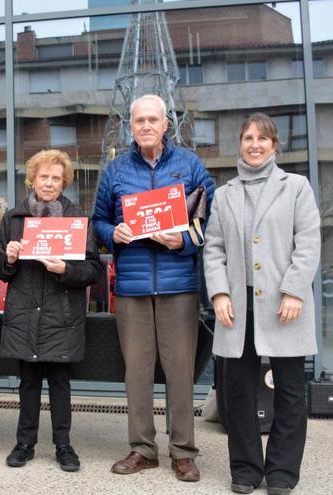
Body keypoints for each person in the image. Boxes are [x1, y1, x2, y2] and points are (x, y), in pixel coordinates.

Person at [92, 94, 215, 482]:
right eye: (139, 120)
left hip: (179, 285)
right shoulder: (115, 170)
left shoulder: (189, 166)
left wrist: (185, 241)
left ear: (166, 125)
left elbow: (211, 220)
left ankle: (183, 451)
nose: (145, 126)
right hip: (132, 286)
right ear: (131, 126)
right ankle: (142, 449)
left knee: (180, 371)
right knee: (137, 372)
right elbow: (97, 221)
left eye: (153, 120)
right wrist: (115, 232)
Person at [203, 113, 320, 495]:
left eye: (263, 138)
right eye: (248, 138)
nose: (255, 144)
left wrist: (295, 290)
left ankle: (283, 473)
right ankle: (246, 470)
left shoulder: (296, 187)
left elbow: (308, 242)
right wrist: (219, 292)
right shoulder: (224, 194)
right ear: (240, 143)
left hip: (284, 306)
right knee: (236, 392)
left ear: (274, 145)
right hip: (236, 309)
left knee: (288, 391)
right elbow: (213, 248)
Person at [0, 150, 103, 472]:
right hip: (25, 313)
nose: (50, 183)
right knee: (27, 382)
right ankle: (24, 443)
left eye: (56, 178)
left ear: (64, 181)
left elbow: (93, 269)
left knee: (59, 384)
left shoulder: (77, 218)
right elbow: (0, 270)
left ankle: (63, 446)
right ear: (32, 179)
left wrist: (65, 269)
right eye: (44, 177)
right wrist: (9, 258)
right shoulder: (13, 219)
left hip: (62, 316)